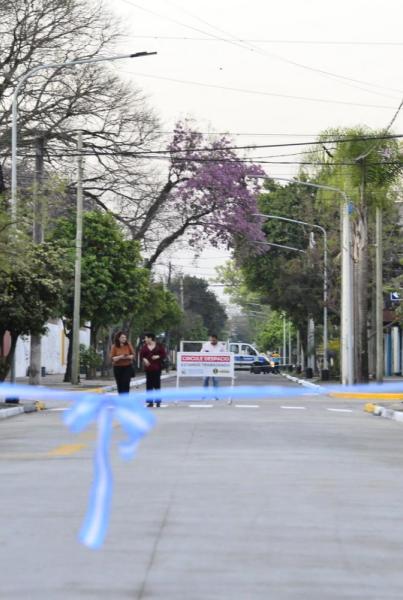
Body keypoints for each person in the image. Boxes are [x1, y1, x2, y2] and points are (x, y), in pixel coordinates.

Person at [140, 332, 167, 408]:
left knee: (157, 384)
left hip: (157, 368)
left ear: (150, 338)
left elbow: (164, 354)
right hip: (148, 368)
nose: (145, 339)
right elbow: (141, 355)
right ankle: (150, 402)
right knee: (149, 385)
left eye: (146, 338)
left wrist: (158, 356)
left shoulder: (159, 346)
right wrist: (144, 359)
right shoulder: (144, 346)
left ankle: (158, 401)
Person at [201, 334, 226, 399]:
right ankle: (204, 395)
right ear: (210, 339)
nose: (212, 341)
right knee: (205, 380)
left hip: (216, 366)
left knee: (216, 380)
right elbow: (201, 354)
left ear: (217, 340)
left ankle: (216, 395)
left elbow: (226, 355)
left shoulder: (221, 346)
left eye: (214, 340)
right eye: (211, 340)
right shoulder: (206, 345)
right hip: (207, 366)